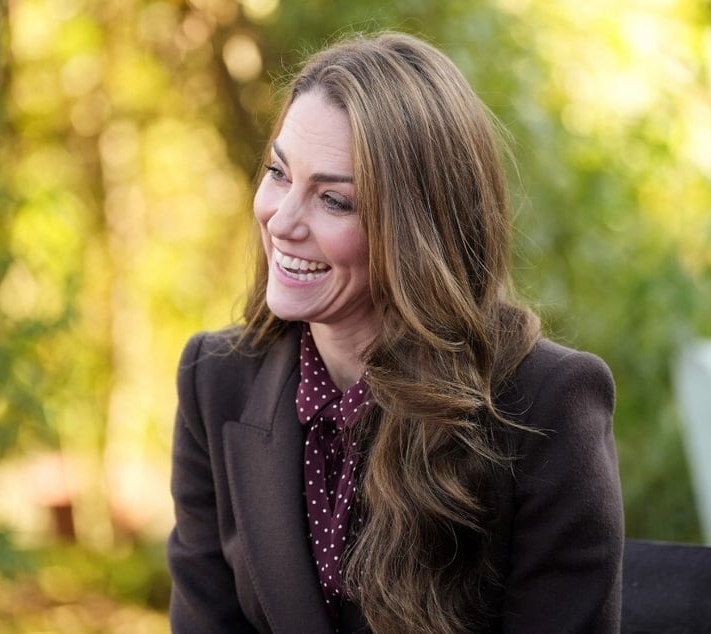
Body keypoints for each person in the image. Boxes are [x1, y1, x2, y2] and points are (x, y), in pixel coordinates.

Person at [167, 31, 623, 633]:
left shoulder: (546, 405)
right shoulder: (214, 379)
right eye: (279, 172)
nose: (281, 218)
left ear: (418, 232)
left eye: (334, 200)